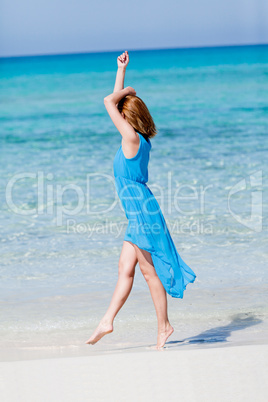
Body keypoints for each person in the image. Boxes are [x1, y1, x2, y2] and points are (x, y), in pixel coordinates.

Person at [85, 51, 196, 349]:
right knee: (126, 268)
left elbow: (109, 101)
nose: (116, 115)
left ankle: (164, 327)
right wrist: (120, 71)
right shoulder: (138, 140)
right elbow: (115, 103)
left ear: (127, 118)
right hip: (141, 211)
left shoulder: (132, 139)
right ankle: (108, 320)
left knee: (148, 272)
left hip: (142, 214)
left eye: (122, 112)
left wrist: (128, 89)